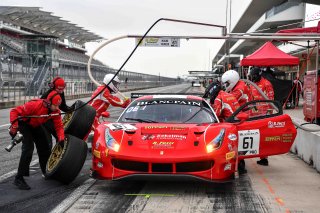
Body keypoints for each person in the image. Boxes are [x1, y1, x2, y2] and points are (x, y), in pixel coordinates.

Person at [9, 91, 65, 190]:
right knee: (28, 149)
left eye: (58, 106)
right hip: (24, 124)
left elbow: (59, 126)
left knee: (45, 147)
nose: (57, 108)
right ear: (48, 102)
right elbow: (14, 111)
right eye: (55, 106)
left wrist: (61, 138)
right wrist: (14, 127)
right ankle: (19, 178)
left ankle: (46, 171)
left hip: (36, 125)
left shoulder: (56, 111)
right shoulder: (34, 105)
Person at [221, 70, 253, 174]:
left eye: (226, 83)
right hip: (242, 113)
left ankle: (241, 165)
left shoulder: (239, 89)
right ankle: (240, 164)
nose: (225, 86)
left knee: (237, 138)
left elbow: (229, 99)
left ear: (232, 81)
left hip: (245, 115)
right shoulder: (238, 85)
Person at [248, 67, 274, 166]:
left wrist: (269, 115)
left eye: (254, 76)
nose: (252, 78)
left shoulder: (266, 84)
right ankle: (260, 156)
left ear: (259, 74)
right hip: (254, 115)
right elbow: (250, 99)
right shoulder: (252, 84)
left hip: (264, 116)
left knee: (263, 137)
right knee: (256, 137)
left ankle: (264, 158)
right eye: (251, 76)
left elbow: (271, 100)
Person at [41, 77, 73, 146]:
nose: (61, 91)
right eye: (59, 89)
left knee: (60, 135)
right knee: (47, 141)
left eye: (62, 89)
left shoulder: (61, 92)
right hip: (43, 118)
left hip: (53, 116)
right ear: (54, 87)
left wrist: (71, 110)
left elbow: (62, 106)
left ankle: (60, 150)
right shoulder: (46, 95)